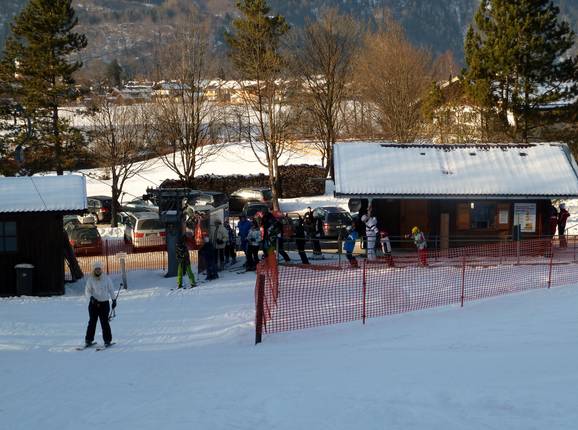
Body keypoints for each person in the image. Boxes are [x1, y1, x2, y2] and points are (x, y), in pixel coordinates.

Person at [84, 261, 116, 347]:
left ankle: (107, 340)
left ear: (101, 269)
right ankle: (88, 340)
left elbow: (111, 289)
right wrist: (91, 298)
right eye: (96, 269)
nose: (98, 270)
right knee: (92, 322)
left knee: (104, 322)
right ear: (93, 270)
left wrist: (114, 300)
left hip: (104, 303)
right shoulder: (90, 279)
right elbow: (87, 291)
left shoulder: (106, 278)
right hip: (94, 304)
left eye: (99, 269)